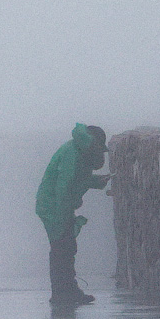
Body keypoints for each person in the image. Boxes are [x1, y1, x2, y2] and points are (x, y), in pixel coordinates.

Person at [36, 123, 111, 305]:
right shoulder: (73, 154)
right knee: (62, 249)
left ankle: (66, 291)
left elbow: (77, 179)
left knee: (64, 247)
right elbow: (64, 187)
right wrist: (64, 218)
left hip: (56, 206)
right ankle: (62, 294)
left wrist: (96, 182)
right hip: (54, 208)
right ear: (93, 145)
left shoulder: (77, 150)